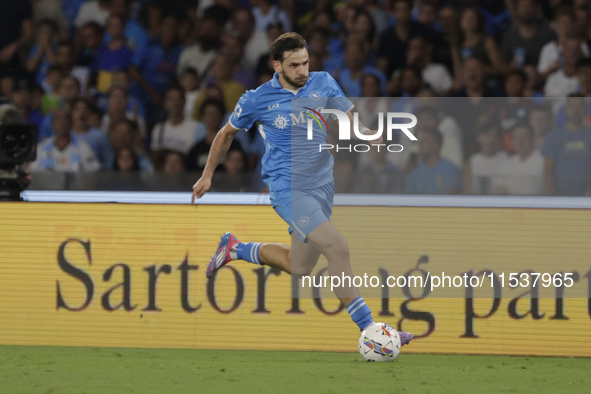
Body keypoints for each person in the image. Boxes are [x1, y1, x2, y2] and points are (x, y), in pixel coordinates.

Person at [190, 32, 414, 344]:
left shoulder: (323, 82)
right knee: (338, 248)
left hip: (322, 187)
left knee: (300, 266)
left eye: (305, 63)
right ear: (277, 66)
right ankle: (374, 332)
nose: (303, 71)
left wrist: (372, 136)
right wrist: (207, 175)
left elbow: (350, 121)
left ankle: (235, 248)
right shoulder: (257, 99)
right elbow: (226, 134)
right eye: (294, 65)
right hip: (288, 190)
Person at [542, 94, 591, 196]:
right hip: (560, 198)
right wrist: (554, 198)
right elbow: (548, 172)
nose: (576, 110)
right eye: (572, 106)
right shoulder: (554, 136)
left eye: (580, 106)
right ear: (565, 109)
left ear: (585, 109)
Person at [403, 128, 461, 194]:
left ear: (436, 145)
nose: (420, 145)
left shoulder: (450, 169)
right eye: (420, 142)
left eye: (425, 141)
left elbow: (451, 197)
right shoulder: (415, 172)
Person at [492, 123, 544, 195]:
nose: (520, 141)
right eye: (516, 137)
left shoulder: (542, 161)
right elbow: (498, 188)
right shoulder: (506, 163)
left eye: (524, 136)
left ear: (532, 138)